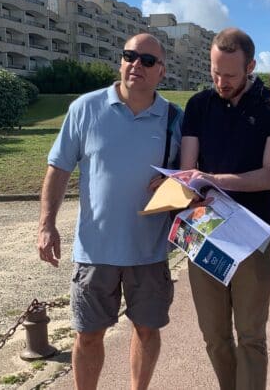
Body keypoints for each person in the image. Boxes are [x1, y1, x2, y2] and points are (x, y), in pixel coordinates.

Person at [37, 33, 183, 390]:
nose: (136, 65)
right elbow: (58, 168)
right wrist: (46, 225)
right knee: (88, 336)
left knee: (147, 331)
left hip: (149, 251)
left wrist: (175, 182)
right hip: (95, 251)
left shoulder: (175, 119)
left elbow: (190, 177)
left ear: (161, 71)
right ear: (120, 61)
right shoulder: (85, 108)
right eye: (129, 56)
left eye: (148, 60)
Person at [178, 27, 270, 390]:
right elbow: (188, 170)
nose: (220, 82)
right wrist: (184, 185)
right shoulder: (198, 105)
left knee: (251, 336)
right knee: (214, 336)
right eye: (215, 72)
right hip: (205, 232)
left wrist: (214, 179)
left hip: (252, 236)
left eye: (229, 74)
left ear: (250, 66)